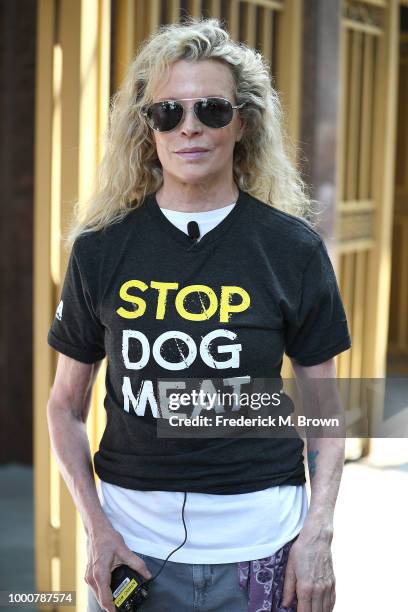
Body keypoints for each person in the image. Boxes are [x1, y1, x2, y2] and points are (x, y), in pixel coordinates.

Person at [46, 16, 351, 612]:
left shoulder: (292, 250)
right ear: (147, 128)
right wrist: (96, 527)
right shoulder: (100, 249)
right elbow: (64, 406)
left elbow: (327, 410)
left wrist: (318, 532)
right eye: (168, 113)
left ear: (243, 122)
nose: (189, 128)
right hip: (133, 550)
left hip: (264, 545)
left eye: (211, 110)